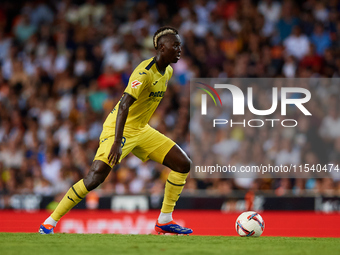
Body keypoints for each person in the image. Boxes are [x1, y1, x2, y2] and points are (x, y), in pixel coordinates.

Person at [39, 26, 193, 235]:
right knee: (95, 177)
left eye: (179, 45)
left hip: (141, 129)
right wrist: (116, 142)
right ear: (161, 47)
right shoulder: (144, 72)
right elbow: (123, 105)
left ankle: (164, 220)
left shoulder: (168, 71)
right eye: (175, 45)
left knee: (183, 164)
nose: (179, 49)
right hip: (118, 128)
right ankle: (49, 222)